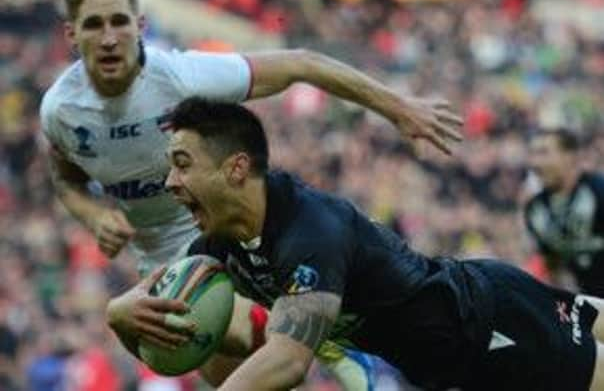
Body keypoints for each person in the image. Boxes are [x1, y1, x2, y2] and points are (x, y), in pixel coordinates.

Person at [39, 0, 462, 388]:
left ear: (140, 26)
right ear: (71, 35)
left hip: (226, 222)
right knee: (226, 369)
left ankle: (328, 338)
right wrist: (93, 215)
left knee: (244, 344)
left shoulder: (180, 77)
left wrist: (398, 108)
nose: (109, 37)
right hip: (160, 253)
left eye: (120, 21)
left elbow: (301, 63)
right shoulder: (60, 111)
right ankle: (315, 336)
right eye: (94, 24)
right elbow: (66, 177)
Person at [122, 96, 604, 391]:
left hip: (495, 332)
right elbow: (170, 311)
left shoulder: (310, 232)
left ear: (236, 168)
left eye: (182, 163)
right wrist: (119, 313)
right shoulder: (223, 242)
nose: (170, 181)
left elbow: (289, 361)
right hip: (474, 324)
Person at [525, 128, 604, 297]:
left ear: (570, 156)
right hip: (589, 308)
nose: (535, 163)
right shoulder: (535, 210)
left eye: (544, 153)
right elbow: (553, 265)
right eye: (533, 154)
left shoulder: (599, 192)